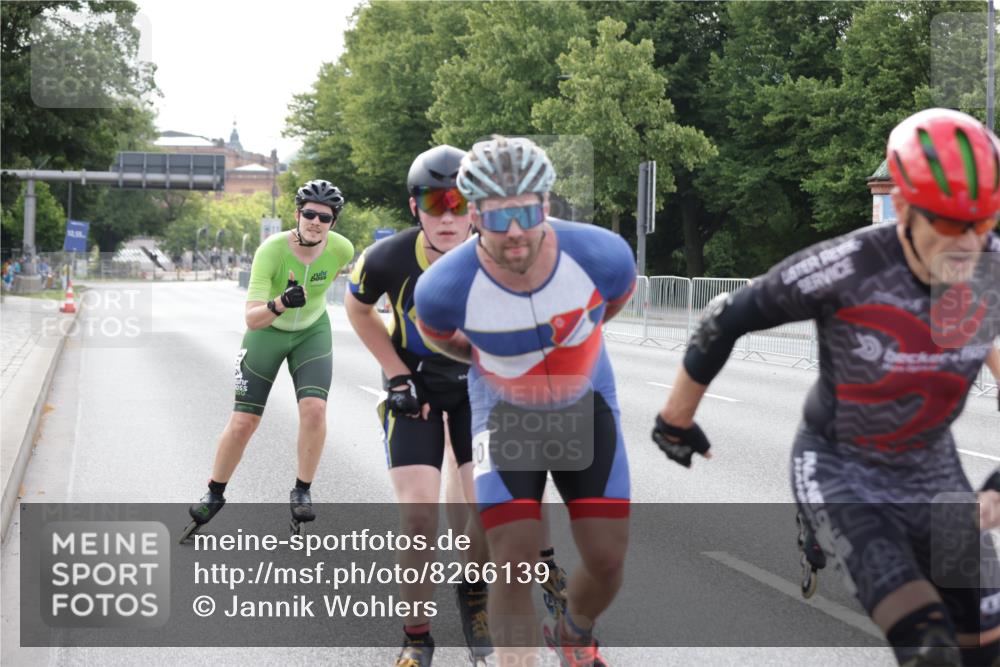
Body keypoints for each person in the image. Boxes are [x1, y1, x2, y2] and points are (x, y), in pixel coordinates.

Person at [652, 108, 1000, 667]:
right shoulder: (848, 266)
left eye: (982, 223)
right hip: (844, 467)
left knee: (985, 646)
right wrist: (675, 419)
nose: (968, 245)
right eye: (950, 225)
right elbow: (724, 318)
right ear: (903, 207)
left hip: (932, 469)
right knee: (928, 646)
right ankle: (824, 524)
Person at [414, 136, 635, 667]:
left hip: (585, 401)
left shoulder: (602, 255)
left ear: (547, 205)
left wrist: (569, 355)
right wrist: (503, 365)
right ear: (473, 215)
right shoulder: (443, 288)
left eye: (527, 213)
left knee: (606, 558)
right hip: (504, 413)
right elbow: (444, 339)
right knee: (512, 558)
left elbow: (611, 305)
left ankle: (574, 632)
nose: (514, 231)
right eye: (497, 216)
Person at [345, 145, 491, 667]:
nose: (447, 217)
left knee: (487, 509)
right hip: (417, 390)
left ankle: (472, 590)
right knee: (419, 517)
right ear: (414, 207)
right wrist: (396, 372)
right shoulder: (386, 258)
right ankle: (416, 637)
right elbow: (358, 309)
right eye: (434, 202)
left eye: (459, 202)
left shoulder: (501, 254)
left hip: (477, 390)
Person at [181, 179, 353, 542]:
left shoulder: (342, 249)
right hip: (267, 331)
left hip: (311, 331)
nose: (316, 222)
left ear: (333, 222)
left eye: (324, 217)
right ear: (297, 214)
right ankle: (214, 492)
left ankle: (302, 490)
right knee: (244, 421)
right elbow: (252, 318)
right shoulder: (272, 251)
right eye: (309, 214)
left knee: (314, 410)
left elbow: (326, 286)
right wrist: (281, 303)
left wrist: (301, 306)